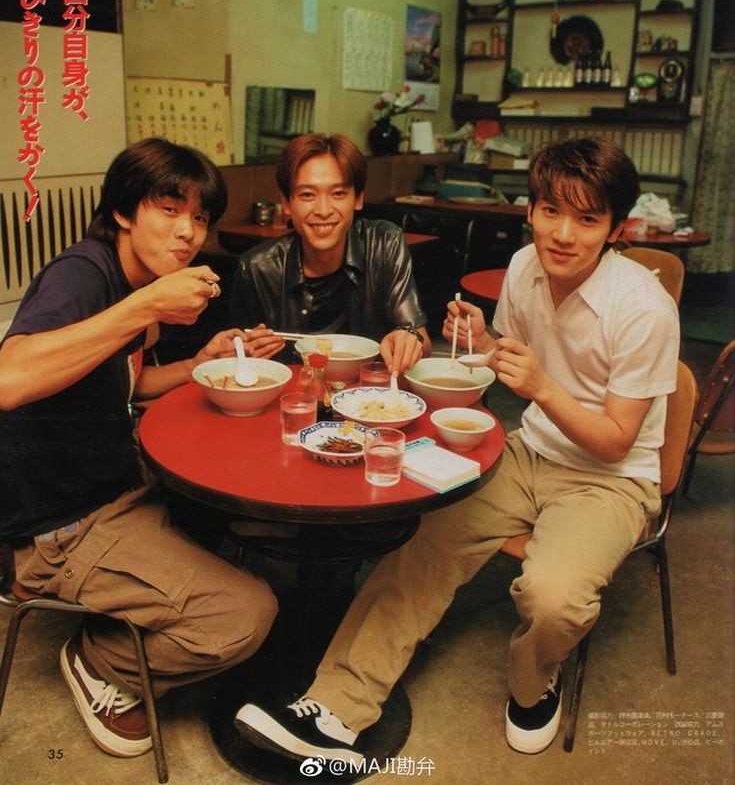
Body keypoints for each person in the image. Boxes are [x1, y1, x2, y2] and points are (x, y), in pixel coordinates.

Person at [233, 136, 680, 758]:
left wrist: (543, 387)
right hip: (531, 451)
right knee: (424, 539)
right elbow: (507, 359)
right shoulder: (526, 267)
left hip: (611, 477)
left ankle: (533, 684)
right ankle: (334, 710)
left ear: (615, 229)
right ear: (531, 210)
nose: (563, 234)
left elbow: (617, 441)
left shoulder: (644, 308)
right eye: (551, 210)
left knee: (551, 598)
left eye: (587, 219)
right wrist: (478, 344)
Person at [0, 138, 277, 761]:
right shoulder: (84, 273)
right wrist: (145, 306)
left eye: (200, 218)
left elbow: (127, 382)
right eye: (169, 210)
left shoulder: (130, 279)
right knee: (246, 614)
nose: (188, 233)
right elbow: (9, 378)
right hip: (59, 526)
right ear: (125, 211)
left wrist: (198, 362)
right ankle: (102, 663)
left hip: (115, 483)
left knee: (243, 509)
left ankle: (138, 603)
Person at [229, 132, 431, 372]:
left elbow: (421, 339)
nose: (323, 210)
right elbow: (237, 356)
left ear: (358, 198)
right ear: (286, 203)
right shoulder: (257, 268)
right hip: (293, 399)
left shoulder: (384, 244)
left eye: (338, 194)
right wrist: (247, 351)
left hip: (367, 400)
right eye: (307, 195)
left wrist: (409, 340)